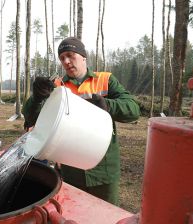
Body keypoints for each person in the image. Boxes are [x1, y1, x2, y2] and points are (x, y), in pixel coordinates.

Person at [22, 37, 140, 205]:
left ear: (83, 57)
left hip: (104, 170)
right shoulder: (56, 87)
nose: (66, 61)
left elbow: (133, 110)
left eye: (71, 55)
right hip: (71, 170)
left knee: (105, 216)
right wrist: (36, 98)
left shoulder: (105, 80)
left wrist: (108, 105)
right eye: (62, 58)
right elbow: (31, 117)